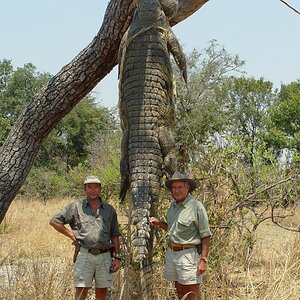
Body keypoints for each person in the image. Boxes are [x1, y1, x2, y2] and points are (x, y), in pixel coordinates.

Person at [50, 175, 122, 300]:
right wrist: (71, 236)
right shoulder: (76, 207)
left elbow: (114, 234)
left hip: (104, 255)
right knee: (81, 292)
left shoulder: (109, 209)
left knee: (102, 292)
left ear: (100, 189)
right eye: (89, 187)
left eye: (96, 187)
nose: (93, 190)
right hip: (84, 254)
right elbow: (54, 221)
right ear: (85, 189)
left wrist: (117, 258)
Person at [150, 171, 211, 300]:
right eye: (174, 188)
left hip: (188, 254)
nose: (176, 191)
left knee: (192, 293)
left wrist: (203, 260)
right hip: (172, 253)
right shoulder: (172, 207)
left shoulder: (196, 206)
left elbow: (205, 235)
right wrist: (159, 223)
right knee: (180, 290)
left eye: (180, 187)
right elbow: (172, 228)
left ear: (187, 187)